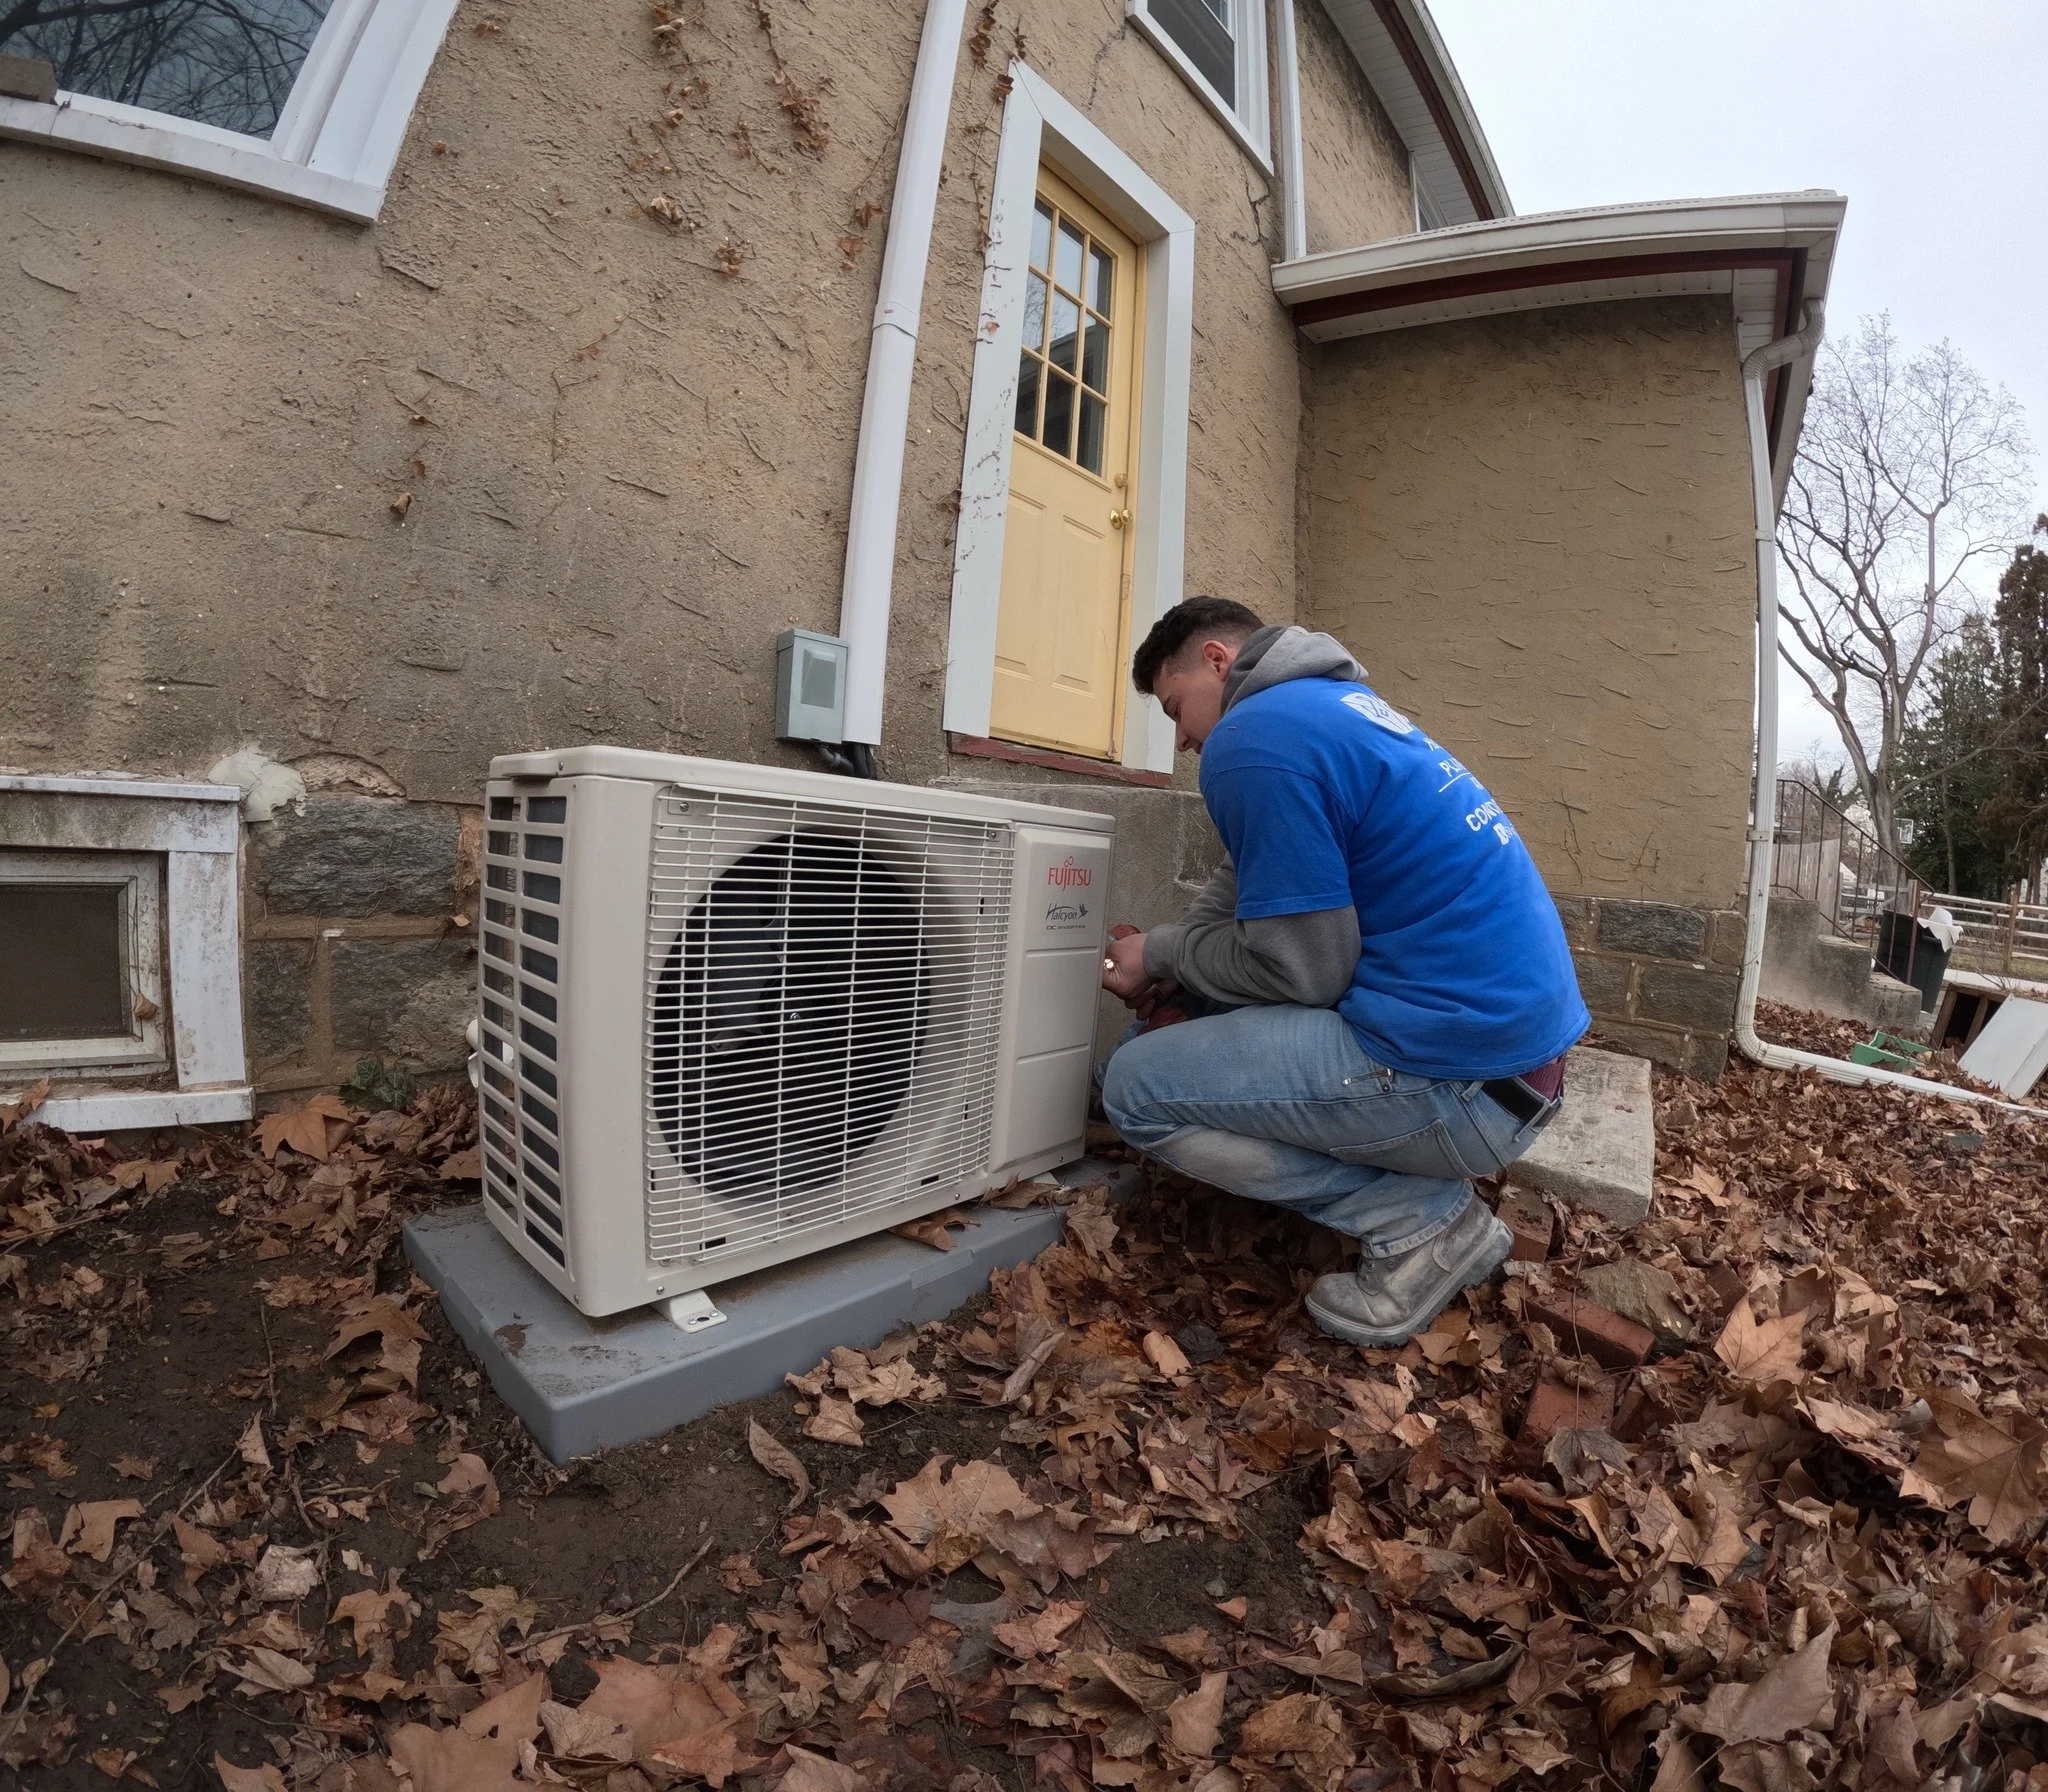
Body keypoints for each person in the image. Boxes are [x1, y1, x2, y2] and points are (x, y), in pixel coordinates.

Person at [1098, 598, 1589, 1347]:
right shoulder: (1336, 711)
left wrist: (1158, 954)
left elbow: (1303, 973)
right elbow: (1243, 880)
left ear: (1218, 663)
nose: (1183, 741)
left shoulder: (1251, 740)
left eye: (1175, 709)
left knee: (1133, 1087)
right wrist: (1183, 969)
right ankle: (1423, 1198)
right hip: (1518, 1077)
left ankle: (1419, 1225)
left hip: (1453, 1088)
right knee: (1186, 1029)